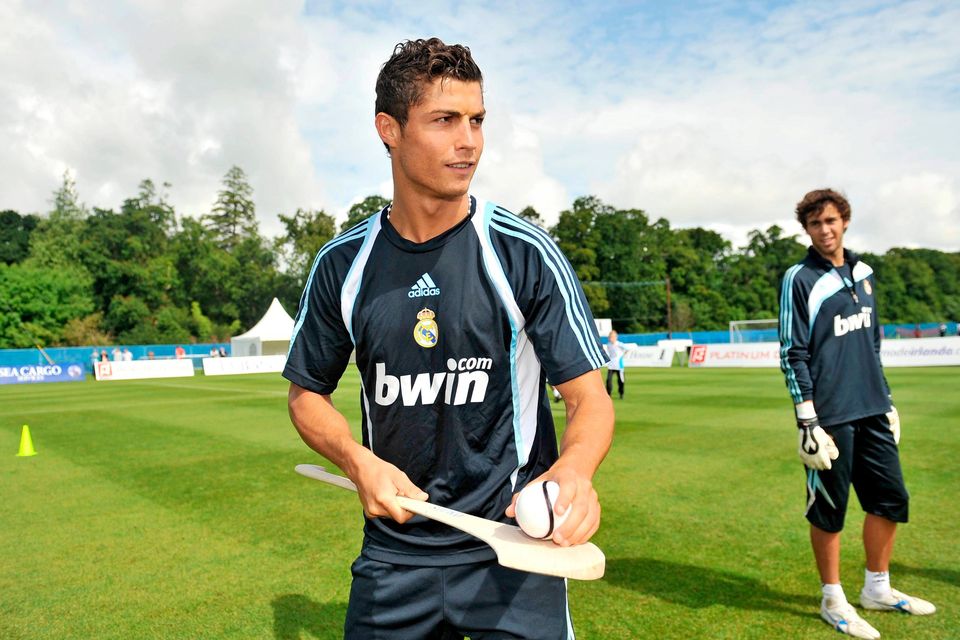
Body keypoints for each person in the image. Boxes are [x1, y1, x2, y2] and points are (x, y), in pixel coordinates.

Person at [283, 38, 614, 640]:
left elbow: (590, 398)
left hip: (513, 555)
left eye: (477, 120)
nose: (469, 142)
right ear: (390, 129)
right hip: (395, 555)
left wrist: (576, 469)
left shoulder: (523, 253)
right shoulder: (343, 265)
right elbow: (306, 395)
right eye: (444, 121)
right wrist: (358, 462)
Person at [779, 189, 936, 639]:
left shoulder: (865, 273)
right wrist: (807, 420)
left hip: (872, 409)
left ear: (844, 220)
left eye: (830, 220)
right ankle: (833, 598)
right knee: (829, 512)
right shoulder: (800, 278)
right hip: (829, 418)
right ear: (807, 230)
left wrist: (887, 401)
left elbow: (872, 344)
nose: (824, 230)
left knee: (891, 500)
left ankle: (877, 589)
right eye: (814, 224)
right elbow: (793, 353)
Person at [604, 330, 626, 399]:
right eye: (610, 337)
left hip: (619, 365)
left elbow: (628, 349)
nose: (611, 338)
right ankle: (608, 394)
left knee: (621, 380)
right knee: (608, 380)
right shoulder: (608, 344)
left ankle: (621, 393)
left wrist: (623, 355)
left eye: (612, 337)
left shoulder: (619, 344)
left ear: (616, 337)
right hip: (611, 365)